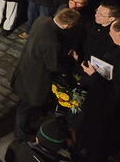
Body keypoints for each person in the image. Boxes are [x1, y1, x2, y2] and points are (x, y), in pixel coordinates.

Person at [11, 8, 81, 140]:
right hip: (35, 80)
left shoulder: (42, 20)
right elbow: (53, 66)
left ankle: (24, 129)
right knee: (24, 108)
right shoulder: (52, 43)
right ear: (68, 26)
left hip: (25, 69)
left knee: (23, 106)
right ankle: (20, 135)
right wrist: (71, 59)